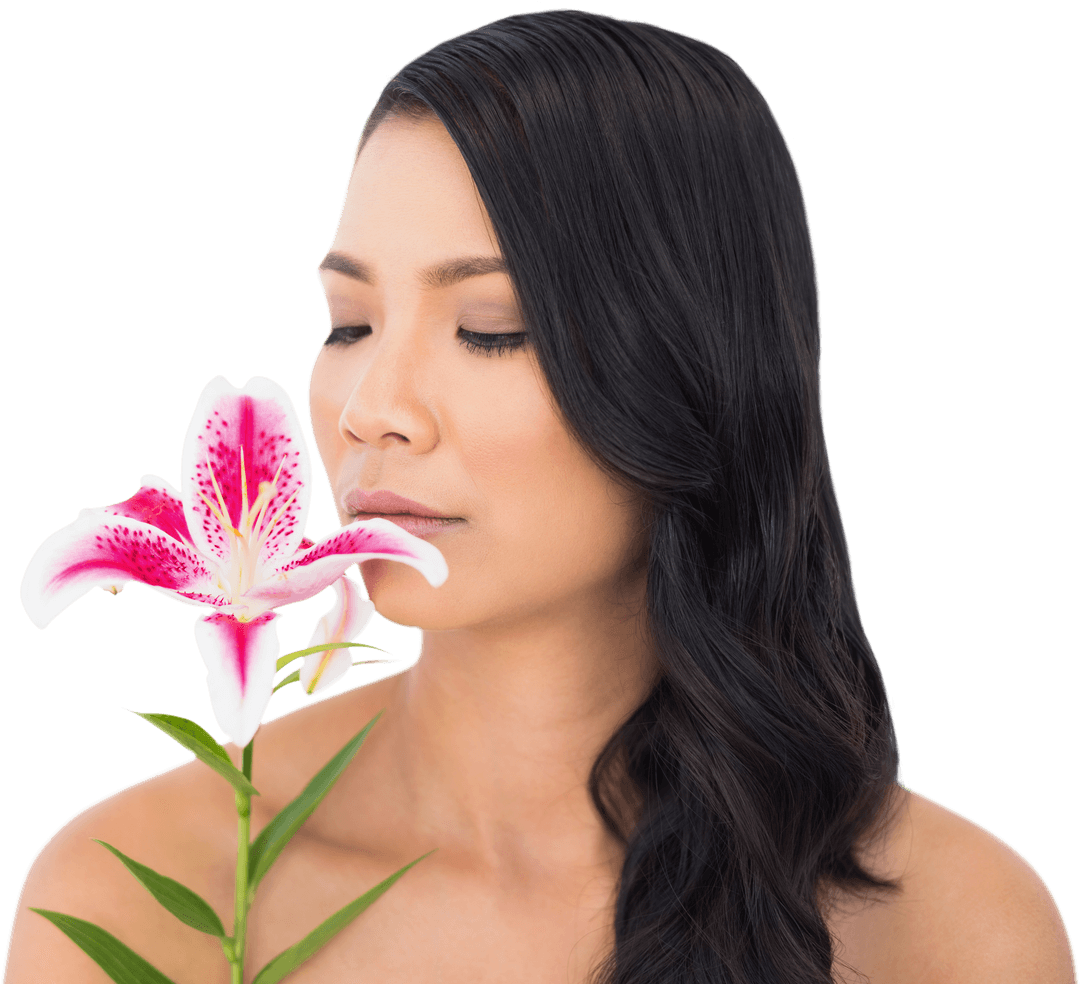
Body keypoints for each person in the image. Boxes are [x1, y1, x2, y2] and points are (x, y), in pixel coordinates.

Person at [5, 9, 1075, 983]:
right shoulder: (141, 893)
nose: (374, 409)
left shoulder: (951, 927)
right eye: (348, 322)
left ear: (688, 369)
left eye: (490, 329)